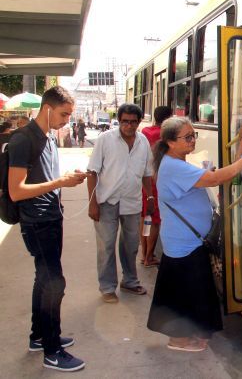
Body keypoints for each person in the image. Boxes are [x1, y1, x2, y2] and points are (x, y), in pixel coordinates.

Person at [147, 116, 242, 352]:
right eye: (188, 137)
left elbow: (211, 179)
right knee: (185, 294)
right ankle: (179, 339)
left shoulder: (174, 161)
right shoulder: (174, 166)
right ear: (170, 142)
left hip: (186, 241)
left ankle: (186, 335)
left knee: (188, 292)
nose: (193, 140)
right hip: (185, 242)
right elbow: (217, 179)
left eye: (194, 135)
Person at [7, 86, 87, 372]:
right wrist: (59, 183)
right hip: (36, 222)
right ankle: (52, 351)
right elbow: (16, 191)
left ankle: (39, 337)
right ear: (48, 108)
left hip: (52, 218)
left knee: (44, 280)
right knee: (54, 283)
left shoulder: (49, 138)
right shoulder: (23, 140)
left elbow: (47, 177)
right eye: (64, 114)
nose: (67, 120)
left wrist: (66, 180)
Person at [86, 104, 154, 303]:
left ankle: (130, 281)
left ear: (139, 122)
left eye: (133, 122)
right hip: (106, 200)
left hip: (132, 201)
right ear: (119, 120)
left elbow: (147, 174)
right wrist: (92, 203)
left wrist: (150, 197)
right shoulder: (105, 140)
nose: (129, 126)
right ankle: (107, 287)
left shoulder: (143, 142)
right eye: (125, 121)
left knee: (131, 245)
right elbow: (92, 172)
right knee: (106, 246)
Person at [139, 105, 173, 267]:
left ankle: (143, 253)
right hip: (157, 181)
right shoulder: (165, 136)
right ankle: (149, 256)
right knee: (155, 220)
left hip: (144, 181)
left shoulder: (145, 132)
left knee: (145, 217)